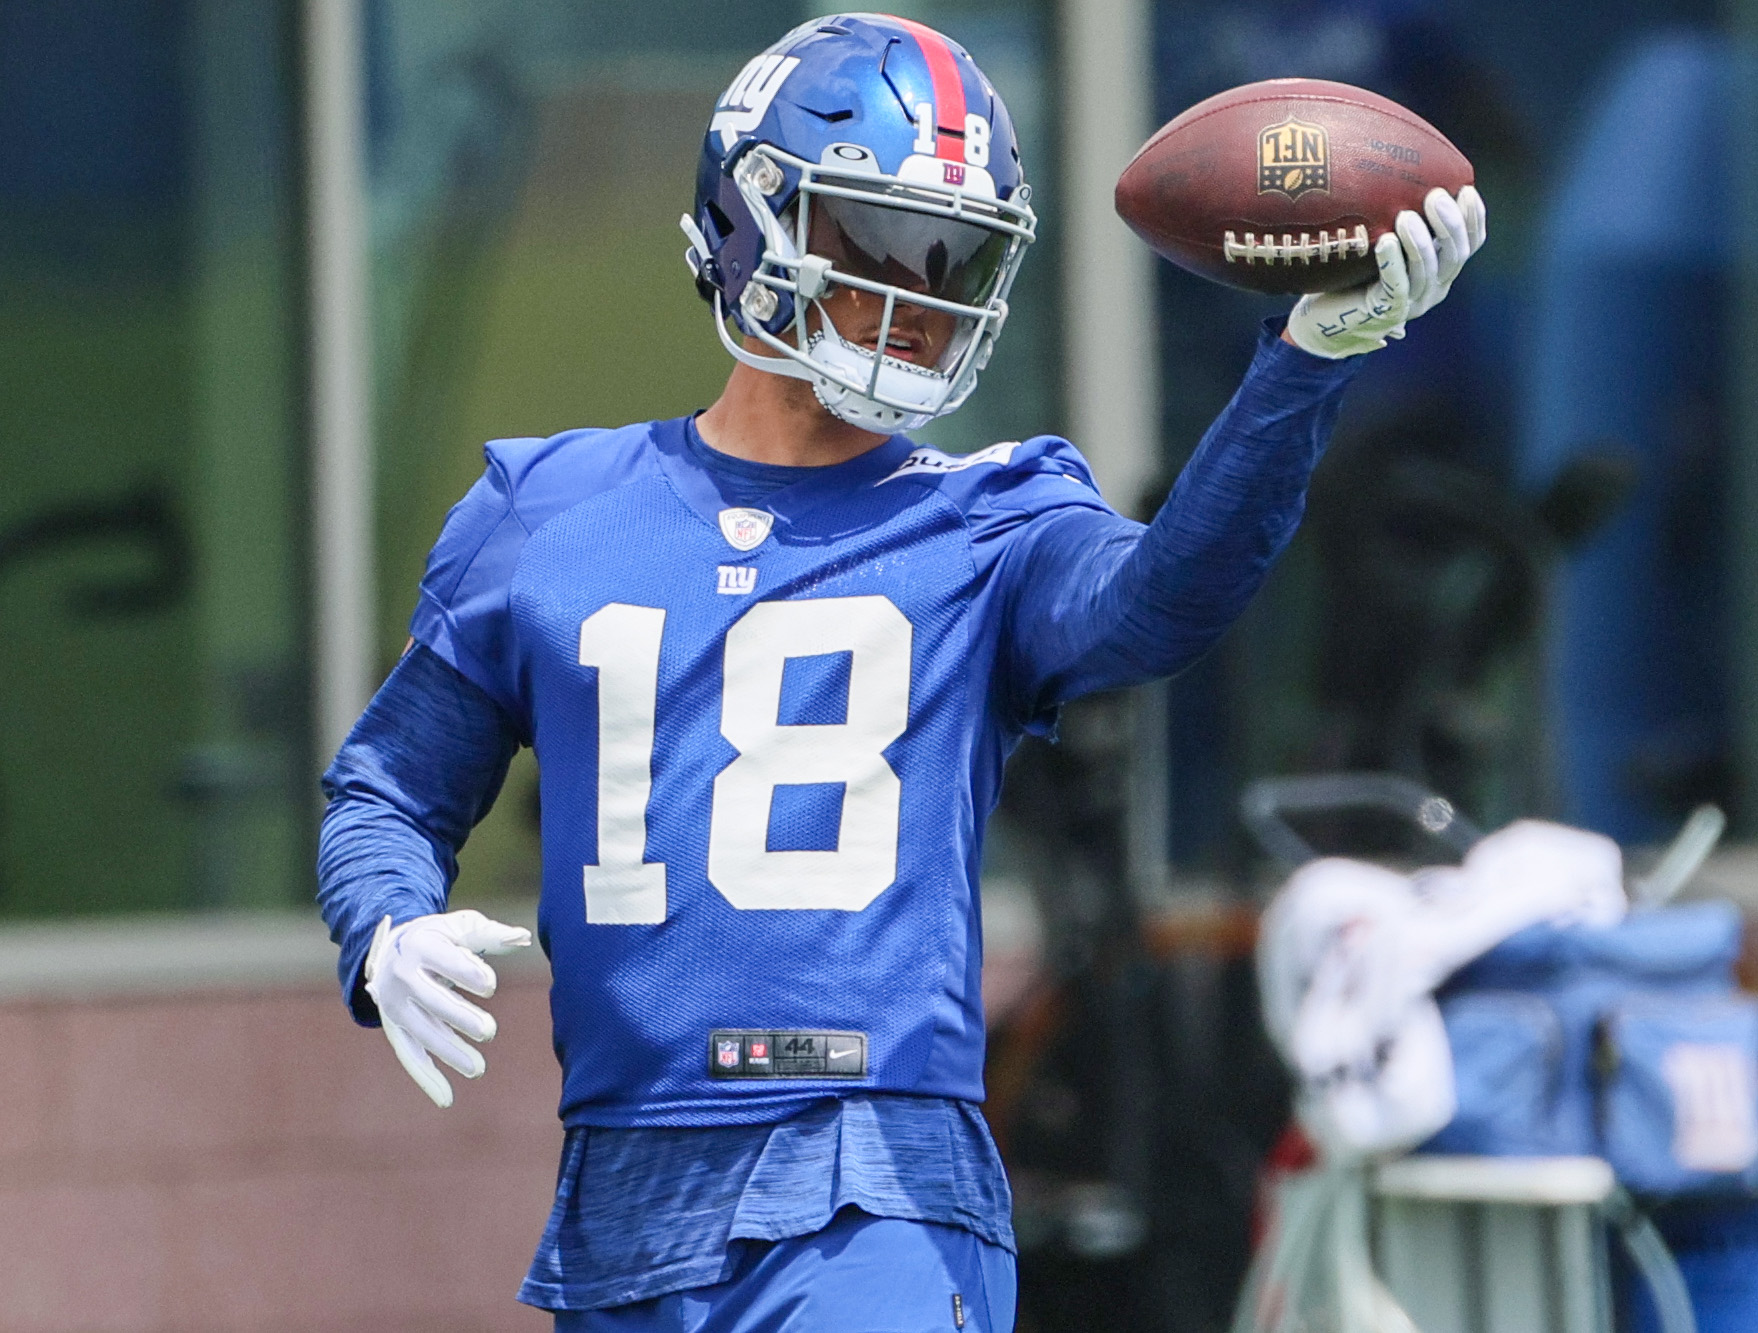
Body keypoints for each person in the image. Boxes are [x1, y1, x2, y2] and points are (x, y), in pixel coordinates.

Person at [317, 13, 1486, 1331]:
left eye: (956, 259)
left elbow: (1158, 600)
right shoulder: (546, 507)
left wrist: (1301, 366)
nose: (923, 295)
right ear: (754, 217)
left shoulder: (986, 516)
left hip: (872, 1174)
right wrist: (388, 922)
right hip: (624, 1192)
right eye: (886, 244)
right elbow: (388, 793)